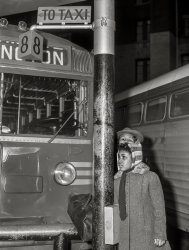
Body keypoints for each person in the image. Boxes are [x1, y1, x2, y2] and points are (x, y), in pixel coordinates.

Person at [114, 127, 171, 250]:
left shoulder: (149, 177)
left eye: (129, 139)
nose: (124, 142)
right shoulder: (117, 179)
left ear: (136, 146)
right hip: (124, 235)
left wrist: (160, 233)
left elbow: (159, 208)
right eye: (122, 139)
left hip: (146, 235)